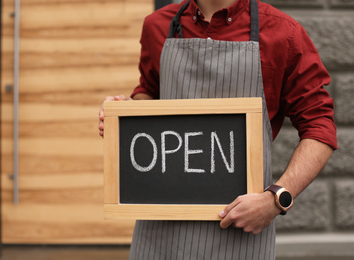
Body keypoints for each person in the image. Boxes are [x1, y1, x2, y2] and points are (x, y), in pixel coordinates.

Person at [98, 0, 337, 259]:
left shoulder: (283, 33)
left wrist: (275, 199)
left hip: (240, 232)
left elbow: (319, 127)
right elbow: (150, 92)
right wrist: (127, 112)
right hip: (159, 236)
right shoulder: (157, 25)